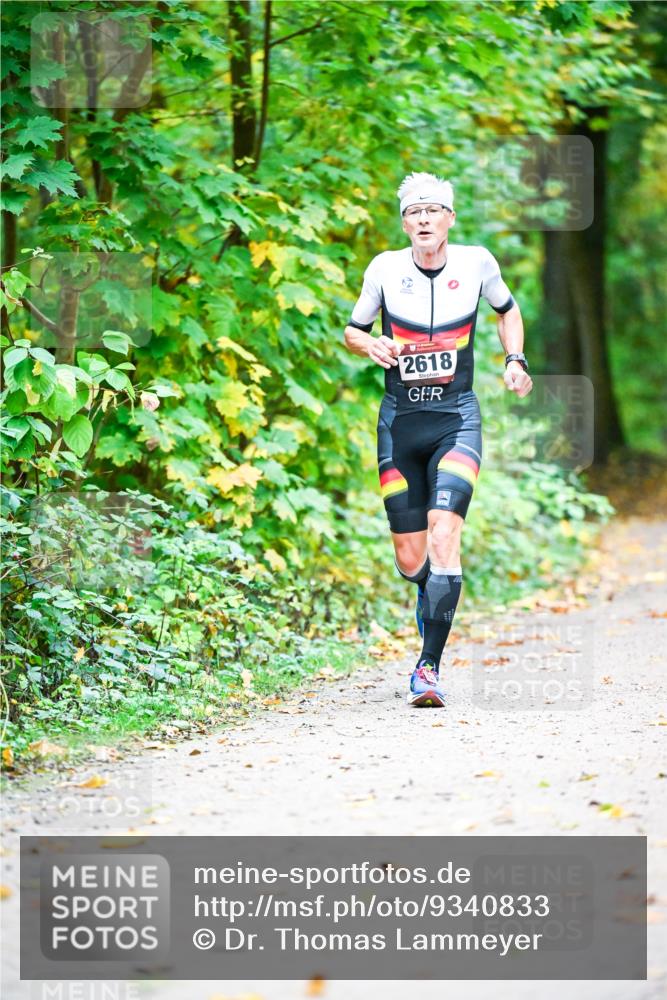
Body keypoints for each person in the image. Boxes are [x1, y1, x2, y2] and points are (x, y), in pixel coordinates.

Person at [343, 172, 533, 707]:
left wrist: (514, 359)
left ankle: (428, 667)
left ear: (449, 217)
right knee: (411, 558)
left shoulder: (478, 263)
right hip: (400, 424)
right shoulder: (384, 269)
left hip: (457, 419)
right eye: (413, 212)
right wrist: (370, 346)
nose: (423, 219)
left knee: (445, 533)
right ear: (404, 222)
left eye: (432, 210)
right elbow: (352, 329)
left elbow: (507, 310)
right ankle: (432, 588)